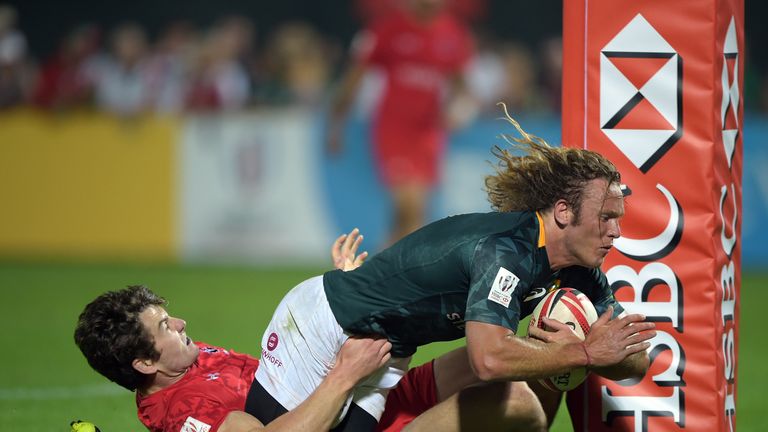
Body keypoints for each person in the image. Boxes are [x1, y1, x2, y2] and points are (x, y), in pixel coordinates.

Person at [251, 112, 658, 431]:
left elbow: (637, 359)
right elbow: (488, 360)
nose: (616, 232)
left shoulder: (579, 271)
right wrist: (584, 353)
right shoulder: (506, 251)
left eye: (618, 219)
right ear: (564, 213)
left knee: (534, 392)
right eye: (605, 217)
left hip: (386, 351)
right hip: (328, 323)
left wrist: (606, 351)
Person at [74, 229, 539, 432]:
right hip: (353, 409)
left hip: (356, 389)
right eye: (164, 327)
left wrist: (347, 300)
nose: (180, 323)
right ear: (144, 363)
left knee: (518, 372)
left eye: (169, 315)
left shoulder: (187, 361)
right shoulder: (184, 411)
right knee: (513, 400)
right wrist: (344, 375)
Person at [327, 0, 476, 246]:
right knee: (410, 207)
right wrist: (336, 125)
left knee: (409, 215)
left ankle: (382, 264)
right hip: (394, 128)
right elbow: (354, 77)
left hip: (428, 133)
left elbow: (462, 87)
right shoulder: (389, 29)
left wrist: (459, 111)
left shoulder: (453, 33)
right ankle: (403, 265)